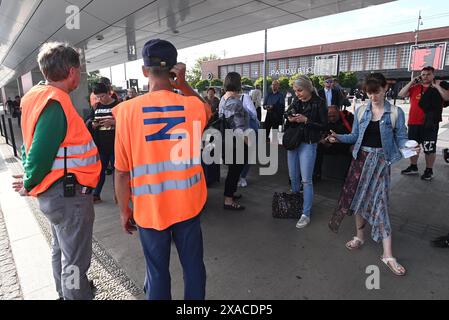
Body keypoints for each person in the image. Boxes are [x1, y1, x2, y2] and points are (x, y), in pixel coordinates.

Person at [113, 39, 211, 300]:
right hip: (188, 206)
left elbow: (121, 172)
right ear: (175, 70)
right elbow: (208, 110)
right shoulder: (193, 107)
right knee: (193, 267)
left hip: (150, 209)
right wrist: (185, 85)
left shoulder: (125, 112)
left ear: (145, 71)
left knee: (156, 273)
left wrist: (124, 210)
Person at [12, 42, 101, 299]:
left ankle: (64, 293)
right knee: (74, 260)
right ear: (72, 71)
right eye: (80, 70)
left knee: (60, 250)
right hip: (68, 195)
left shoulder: (37, 97)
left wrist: (31, 178)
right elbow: (40, 151)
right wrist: (29, 181)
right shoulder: (56, 102)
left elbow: (28, 146)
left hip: (56, 193)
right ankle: (75, 295)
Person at [328, 73, 420, 276]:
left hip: (380, 164)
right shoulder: (361, 111)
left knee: (380, 205)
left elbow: (401, 137)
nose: (373, 97)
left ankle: (387, 254)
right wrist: (338, 138)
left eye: (376, 92)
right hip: (359, 161)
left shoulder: (395, 112)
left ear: (385, 88)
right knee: (358, 201)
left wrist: (411, 147)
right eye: (369, 93)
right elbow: (354, 136)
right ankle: (360, 236)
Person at [284, 75, 327, 228]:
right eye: (295, 91)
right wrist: (290, 118)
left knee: (306, 180)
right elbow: (286, 114)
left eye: (300, 90)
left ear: (308, 88)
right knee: (293, 177)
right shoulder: (295, 101)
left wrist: (306, 120)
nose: (297, 94)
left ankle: (305, 213)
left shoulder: (319, 102)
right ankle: (296, 205)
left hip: (308, 143)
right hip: (294, 142)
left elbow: (324, 125)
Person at [398, 66, 449, 181]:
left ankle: (429, 170)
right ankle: (413, 166)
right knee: (412, 146)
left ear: (433, 75)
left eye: (428, 74)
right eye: (423, 74)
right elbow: (401, 94)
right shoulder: (415, 87)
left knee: (429, 148)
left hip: (430, 123)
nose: (425, 76)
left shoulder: (439, 87)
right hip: (413, 122)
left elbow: (446, 97)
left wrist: (436, 86)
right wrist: (412, 81)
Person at [219, 72, 250, 210]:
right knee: (234, 171)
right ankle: (228, 201)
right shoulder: (235, 102)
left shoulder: (223, 99)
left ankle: (230, 194)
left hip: (225, 140)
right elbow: (239, 128)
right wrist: (249, 143)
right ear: (238, 83)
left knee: (232, 171)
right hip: (236, 143)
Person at [87, 82, 119, 203]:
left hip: (116, 144)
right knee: (100, 170)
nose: (100, 99)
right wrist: (93, 124)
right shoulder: (96, 107)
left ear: (109, 93)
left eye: (102, 96)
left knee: (118, 172)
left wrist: (114, 123)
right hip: (101, 145)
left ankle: (118, 195)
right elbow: (89, 121)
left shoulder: (118, 105)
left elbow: (126, 122)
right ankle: (96, 194)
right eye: (98, 97)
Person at [314, 105, 353, 181]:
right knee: (318, 147)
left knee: (355, 151)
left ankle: (348, 177)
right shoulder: (324, 119)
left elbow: (355, 133)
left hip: (346, 144)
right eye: (329, 116)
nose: (332, 118)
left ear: (339, 112)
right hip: (331, 144)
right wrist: (323, 140)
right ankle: (316, 174)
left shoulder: (348, 117)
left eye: (334, 116)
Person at [238, 90, 259, 188]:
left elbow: (253, 114)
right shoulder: (225, 98)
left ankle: (242, 176)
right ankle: (238, 176)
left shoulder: (244, 97)